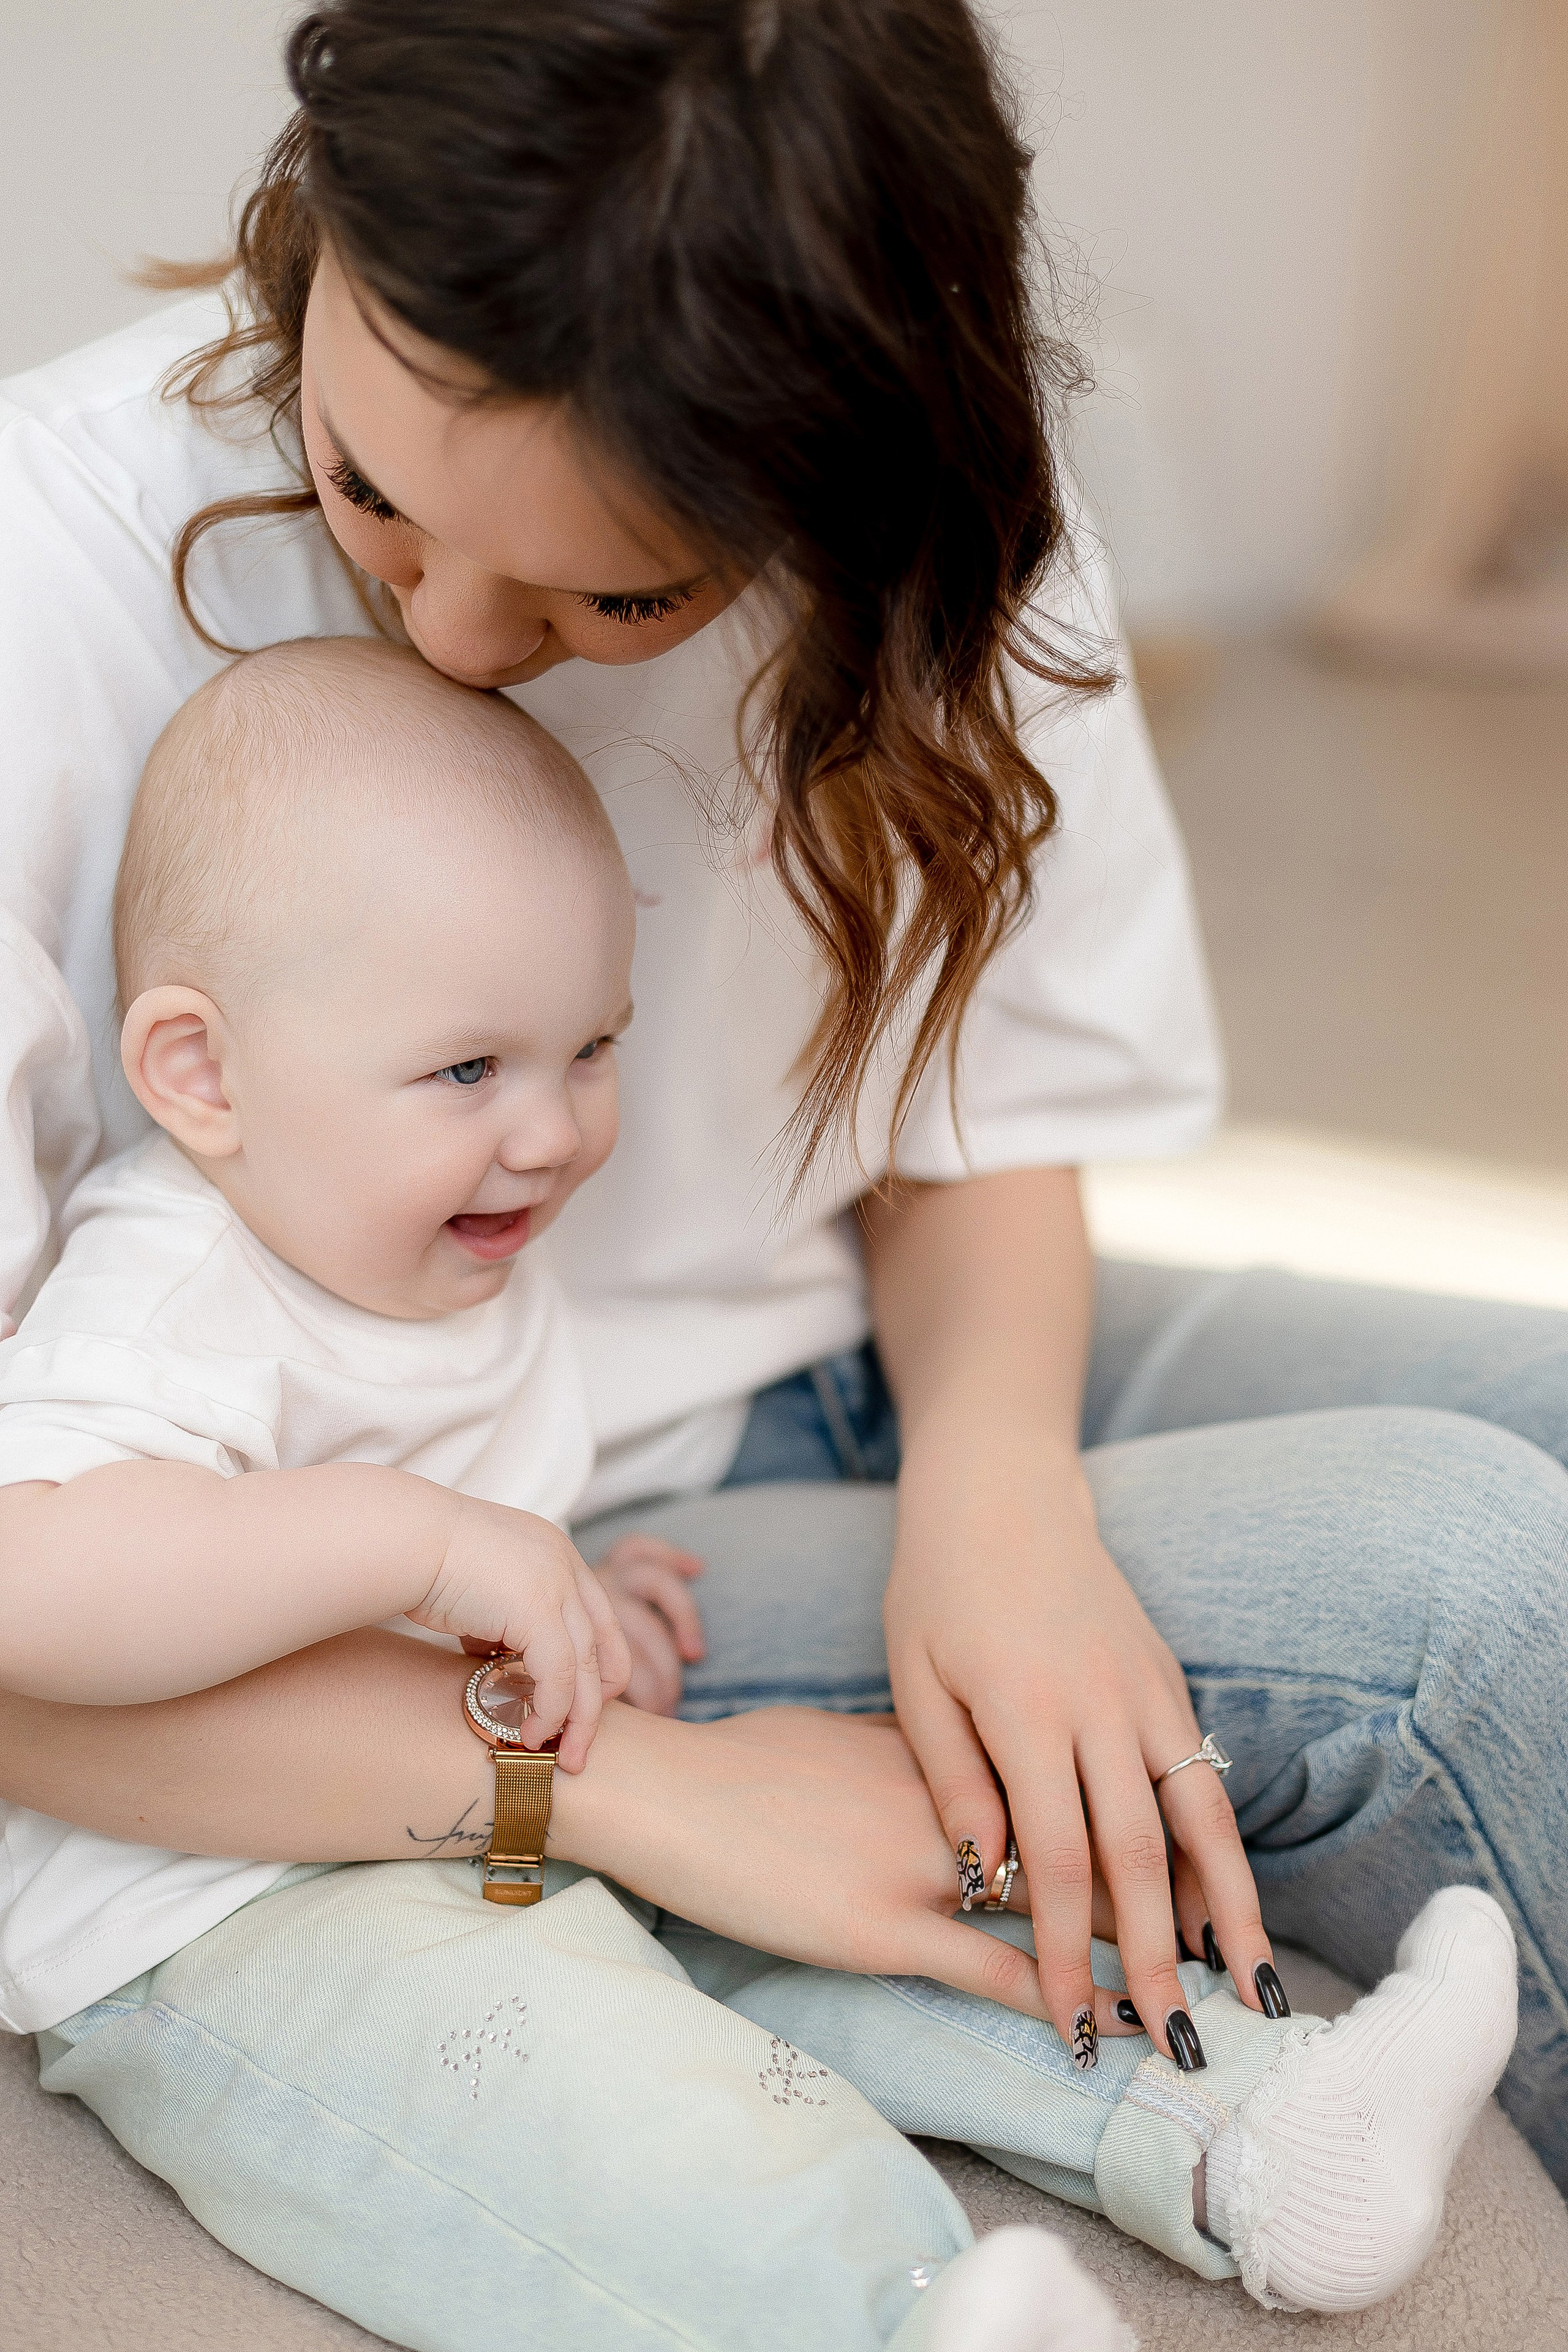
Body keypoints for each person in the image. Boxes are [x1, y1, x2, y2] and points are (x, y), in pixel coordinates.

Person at [0, 2, 1563, 2343]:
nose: (451, 641)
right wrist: (616, 1796)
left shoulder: (944, 528)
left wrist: (1004, 1502)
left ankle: (1271, 2118)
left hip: (865, 1339)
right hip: (566, 1555)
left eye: (622, 603)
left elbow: (976, 1117)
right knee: (1474, 1590)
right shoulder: (46, 594)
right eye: (366, 483)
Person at [0, 636, 715, 1762]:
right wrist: (430, 1548)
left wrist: (563, 1597)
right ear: (204, 1075)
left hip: (449, 1806)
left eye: (590, 1045)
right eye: (468, 1069)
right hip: (225, 1890)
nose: (556, 1135)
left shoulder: (420, 1238)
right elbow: (26, 1587)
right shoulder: (177, 1289)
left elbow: (479, 1519)